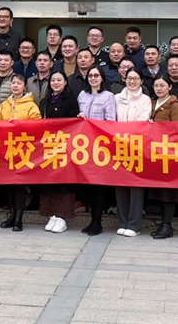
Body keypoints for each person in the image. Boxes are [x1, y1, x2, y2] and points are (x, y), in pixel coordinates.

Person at [0, 74, 41, 232]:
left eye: (19, 83)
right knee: (9, 184)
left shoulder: (31, 105)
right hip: (7, 149)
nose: (15, 86)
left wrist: (19, 125)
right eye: (13, 83)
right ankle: (11, 214)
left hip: (23, 149)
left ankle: (19, 218)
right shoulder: (4, 105)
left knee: (20, 184)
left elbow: (37, 125)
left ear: (24, 87)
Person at [76, 67, 117, 236]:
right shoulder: (82, 95)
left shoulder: (108, 96)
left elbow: (111, 121)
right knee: (88, 186)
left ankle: (97, 221)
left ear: (102, 78)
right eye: (90, 75)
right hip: (84, 147)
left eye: (96, 75)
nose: (93, 78)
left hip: (100, 146)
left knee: (99, 185)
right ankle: (91, 219)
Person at [39, 71, 80, 234]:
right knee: (49, 180)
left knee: (63, 181)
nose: (56, 83)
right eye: (53, 80)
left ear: (65, 82)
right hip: (48, 145)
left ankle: (62, 216)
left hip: (65, 145)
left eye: (59, 80)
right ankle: (52, 214)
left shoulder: (71, 100)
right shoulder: (45, 101)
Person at [114, 68, 152, 237]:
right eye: (129, 78)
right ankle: (122, 222)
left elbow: (142, 121)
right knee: (120, 184)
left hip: (137, 146)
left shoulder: (145, 100)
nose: (132, 81)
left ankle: (134, 224)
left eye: (136, 78)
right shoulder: (116, 98)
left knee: (135, 185)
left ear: (141, 81)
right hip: (118, 146)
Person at [147, 76, 178, 240]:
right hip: (155, 152)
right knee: (159, 190)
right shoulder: (152, 102)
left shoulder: (175, 104)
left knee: (169, 191)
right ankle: (162, 224)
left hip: (169, 153)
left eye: (162, 85)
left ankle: (167, 224)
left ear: (170, 87)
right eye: (156, 85)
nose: (159, 88)